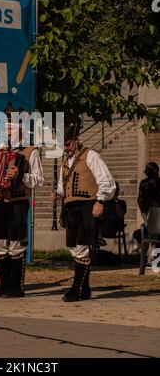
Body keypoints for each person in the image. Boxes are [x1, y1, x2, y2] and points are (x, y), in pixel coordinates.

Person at [51, 124, 116, 302]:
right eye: (63, 145)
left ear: (76, 141)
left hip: (88, 207)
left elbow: (107, 182)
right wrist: (57, 194)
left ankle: (77, 289)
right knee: (75, 247)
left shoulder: (91, 155)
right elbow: (62, 187)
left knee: (83, 247)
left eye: (68, 144)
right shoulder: (65, 163)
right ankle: (84, 289)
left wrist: (100, 201)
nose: (66, 148)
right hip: (71, 209)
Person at [0, 104, 44, 298]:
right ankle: (4, 284)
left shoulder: (31, 151)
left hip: (18, 202)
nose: (7, 128)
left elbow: (39, 179)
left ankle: (16, 286)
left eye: (11, 124)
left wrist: (20, 176)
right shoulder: (1, 148)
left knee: (16, 243)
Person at [133, 162, 160, 257]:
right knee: (153, 236)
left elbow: (139, 199)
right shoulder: (158, 181)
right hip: (156, 211)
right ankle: (151, 259)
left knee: (149, 235)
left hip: (146, 211)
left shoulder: (143, 183)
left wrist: (143, 212)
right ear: (156, 171)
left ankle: (148, 258)